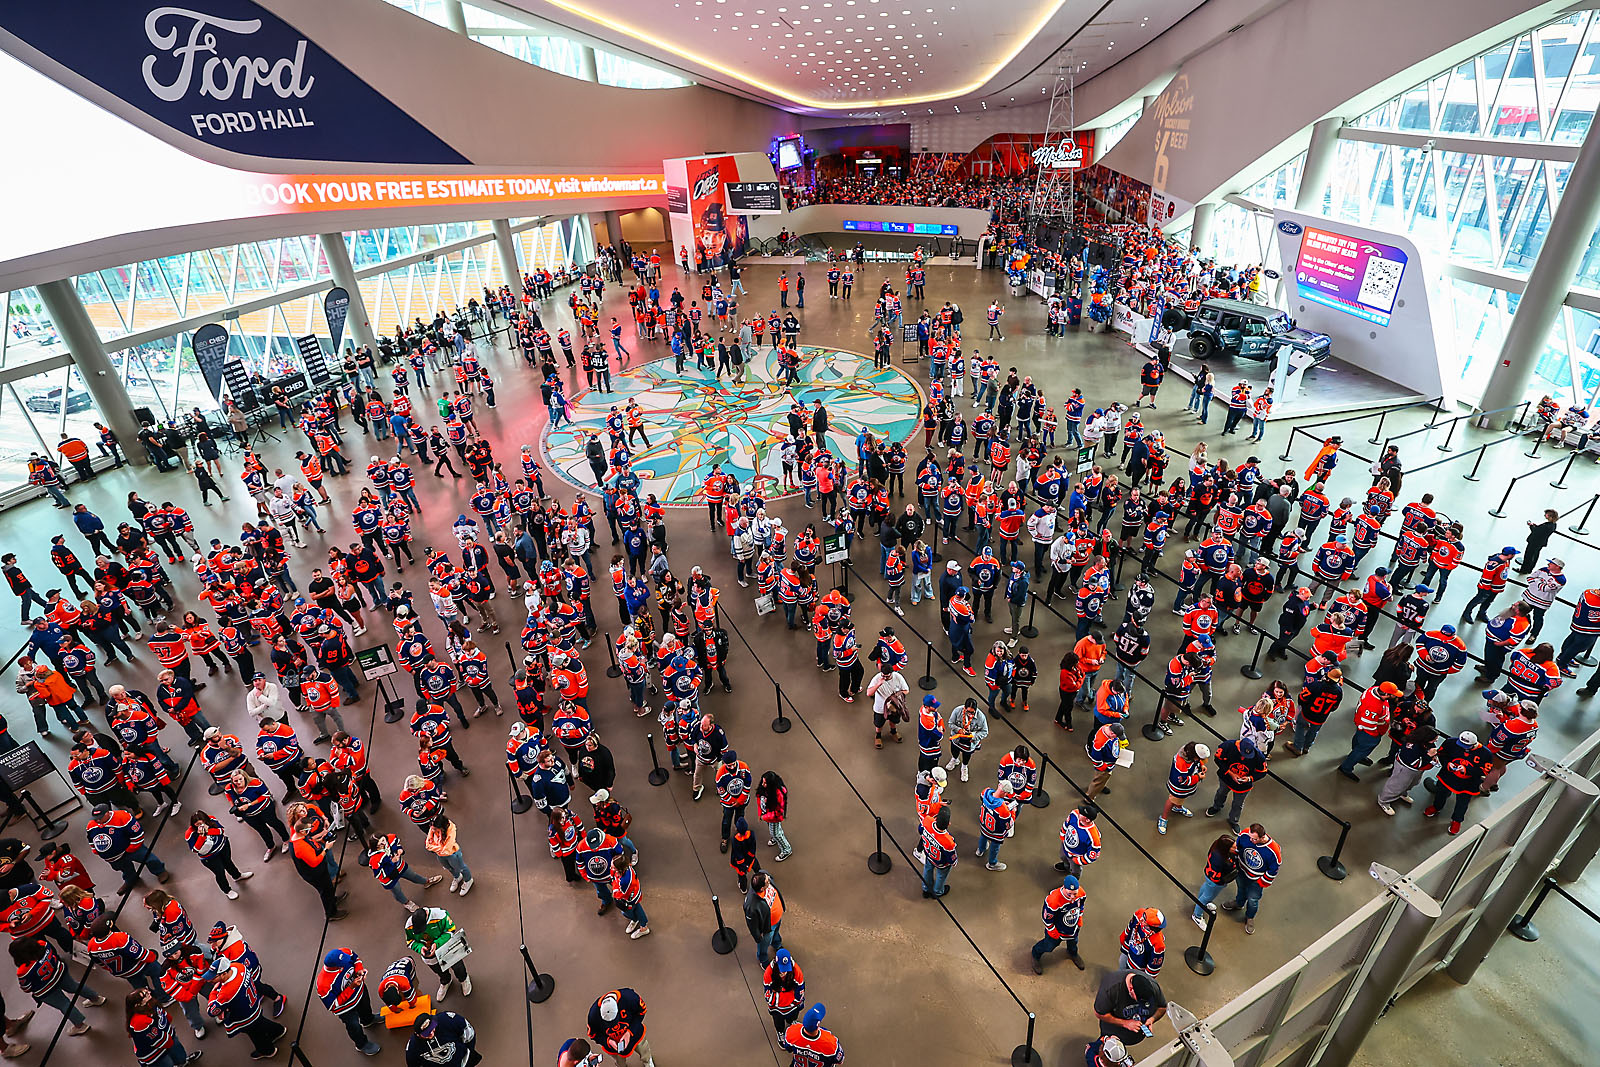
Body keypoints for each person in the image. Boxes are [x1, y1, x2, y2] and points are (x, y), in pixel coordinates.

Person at [315, 947, 383, 1056]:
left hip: (359, 992)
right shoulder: (323, 984)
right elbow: (332, 1005)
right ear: (336, 967)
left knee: (366, 1006)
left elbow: (356, 959)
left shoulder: (344, 952)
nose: (347, 962)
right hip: (346, 1009)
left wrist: (359, 970)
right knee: (354, 1026)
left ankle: (368, 1020)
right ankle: (361, 1044)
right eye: (343, 963)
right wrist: (351, 987)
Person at [1222, 823, 1281, 935]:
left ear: (1262, 837)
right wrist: (1235, 863)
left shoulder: (1273, 851)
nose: (1250, 840)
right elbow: (1238, 847)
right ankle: (1239, 903)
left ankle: (1249, 917)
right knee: (1241, 889)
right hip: (1242, 872)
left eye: (1254, 839)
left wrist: (1262, 882)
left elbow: (1273, 870)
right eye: (1250, 837)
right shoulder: (1245, 834)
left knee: (1253, 900)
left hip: (1256, 880)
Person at [404, 907, 472, 1001]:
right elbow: (410, 941)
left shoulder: (441, 915)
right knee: (439, 971)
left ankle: (464, 979)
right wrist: (420, 948)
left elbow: (450, 930)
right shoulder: (408, 925)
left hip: (448, 948)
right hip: (430, 957)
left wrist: (437, 943)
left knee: (458, 966)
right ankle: (446, 981)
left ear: (427, 917)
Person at [1093, 971, 1167, 1048]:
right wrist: (1125, 1023)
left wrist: (1152, 1019)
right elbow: (1099, 1013)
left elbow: (1162, 1007)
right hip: (1111, 1034)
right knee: (1103, 1050)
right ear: (1131, 989)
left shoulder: (1153, 986)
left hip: (1132, 1037)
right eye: (1139, 1000)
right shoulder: (1111, 989)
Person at [1030, 874, 1086, 974]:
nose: (1072, 897)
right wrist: (1052, 930)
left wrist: (1080, 917)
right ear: (1064, 888)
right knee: (1048, 946)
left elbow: (1081, 905)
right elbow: (1047, 918)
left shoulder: (1081, 893)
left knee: (1073, 942)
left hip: (1072, 927)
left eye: (1075, 894)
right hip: (1057, 931)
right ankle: (1035, 954)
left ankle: (1072, 953)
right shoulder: (1053, 900)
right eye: (1069, 894)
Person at [587, 988, 653, 1067]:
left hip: (635, 1034)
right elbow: (594, 1035)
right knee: (620, 1062)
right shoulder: (593, 1016)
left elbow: (641, 1012)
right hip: (614, 1046)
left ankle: (648, 1062)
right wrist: (607, 1041)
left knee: (644, 1050)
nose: (614, 1026)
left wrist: (630, 1032)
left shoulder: (630, 998)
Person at [406, 1010, 482, 1067]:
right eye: (427, 1033)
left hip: (464, 1061)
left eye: (432, 1028)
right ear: (418, 1035)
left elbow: (468, 1033)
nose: (432, 1033)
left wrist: (469, 1050)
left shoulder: (448, 1019)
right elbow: (413, 1064)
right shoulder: (412, 1047)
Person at [744, 868, 786, 966]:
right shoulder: (751, 905)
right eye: (767, 881)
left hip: (777, 919)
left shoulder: (763, 874)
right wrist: (758, 937)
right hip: (768, 927)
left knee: (776, 933)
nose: (769, 879)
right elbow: (752, 925)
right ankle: (763, 959)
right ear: (762, 888)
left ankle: (776, 944)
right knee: (763, 944)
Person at [763, 949, 805, 1034]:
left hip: (792, 1005)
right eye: (781, 968)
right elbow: (767, 993)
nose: (784, 972)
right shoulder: (769, 972)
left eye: (786, 969)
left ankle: (792, 1022)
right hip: (777, 1007)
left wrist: (795, 1002)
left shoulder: (797, 971)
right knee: (778, 1022)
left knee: (792, 1016)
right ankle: (780, 1032)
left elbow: (800, 990)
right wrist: (775, 1002)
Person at [756, 770, 792, 861]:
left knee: (776, 833)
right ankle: (776, 838)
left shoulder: (778, 794)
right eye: (763, 782)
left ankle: (786, 850)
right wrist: (761, 813)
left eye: (765, 783)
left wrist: (764, 817)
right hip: (767, 814)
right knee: (774, 830)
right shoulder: (765, 789)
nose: (763, 784)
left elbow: (778, 812)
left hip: (774, 818)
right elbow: (759, 798)